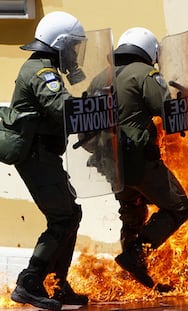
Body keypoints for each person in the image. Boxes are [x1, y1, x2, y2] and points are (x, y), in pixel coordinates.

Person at [9, 11, 88, 310]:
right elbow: (63, 108)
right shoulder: (43, 72)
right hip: (36, 155)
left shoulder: (44, 68)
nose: (74, 53)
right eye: (72, 47)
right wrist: (94, 107)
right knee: (63, 217)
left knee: (71, 214)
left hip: (43, 154)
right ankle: (30, 281)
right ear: (59, 44)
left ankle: (56, 283)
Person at [112, 27, 188, 291]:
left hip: (111, 164)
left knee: (132, 213)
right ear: (150, 52)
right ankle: (136, 254)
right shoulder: (144, 74)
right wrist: (184, 98)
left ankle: (132, 277)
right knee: (179, 206)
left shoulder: (103, 76)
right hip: (138, 161)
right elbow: (165, 109)